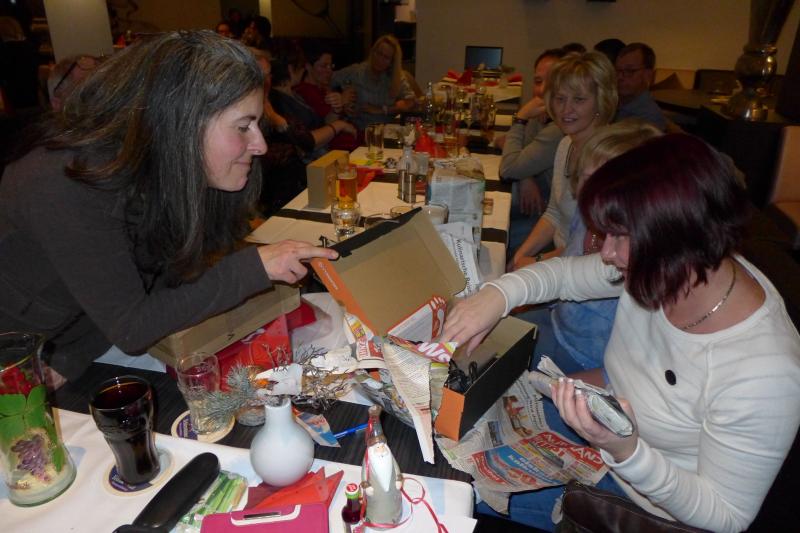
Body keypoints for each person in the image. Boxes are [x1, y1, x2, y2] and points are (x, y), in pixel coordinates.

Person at [441, 134, 800, 532]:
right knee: (448, 420)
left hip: (640, 500)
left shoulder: (765, 373)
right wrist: (495, 297)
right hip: (602, 429)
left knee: (449, 482)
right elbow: (565, 275)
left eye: (621, 236)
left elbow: (726, 516)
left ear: (676, 236)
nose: (606, 253)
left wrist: (625, 451)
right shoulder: (679, 265)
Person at [0, 31, 337, 383]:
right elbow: (132, 325)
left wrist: (71, 357)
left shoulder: (164, 171)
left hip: (75, 346)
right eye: (243, 126)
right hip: (18, 361)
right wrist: (254, 267)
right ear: (182, 122)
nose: (260, 145)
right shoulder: (67, 182)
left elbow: (151, 287)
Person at [529, 119, 662, 374]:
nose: (589, 189)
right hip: (555, 322)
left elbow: (629, 368)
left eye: (604, 179)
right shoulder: (585, 213)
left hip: (587, 361)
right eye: (585, 176)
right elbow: (566, 270)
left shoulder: (642, 252)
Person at [510, 51, 617, 270]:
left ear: (601, 101)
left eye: (579, 99)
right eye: (560, 99)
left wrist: (535, 262)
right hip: (561, 260)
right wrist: (519, 258)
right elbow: (554, 213)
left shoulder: (607, 159)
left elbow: (589, 247)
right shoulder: (566, 144)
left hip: (584, 269)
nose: (566, 110)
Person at [255, 47, 355, 214]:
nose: (267, 80)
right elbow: (307, 141)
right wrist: (339, 125)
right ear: (292, 69)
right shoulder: (277, 99)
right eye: (262, 75)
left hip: (306, 171)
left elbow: (318, 127)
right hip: (290, 182)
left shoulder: (290, 96)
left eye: (268, 74)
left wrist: (337, 110)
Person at [500, 48, 565, 255]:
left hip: (546, 221)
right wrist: (525, 176)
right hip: (541, 210)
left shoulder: (558, 129)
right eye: (538, 81)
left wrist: (520, 118)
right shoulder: (543, 116)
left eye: (552, 82)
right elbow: (510, 146)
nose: (542, 89)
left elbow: (508, 168)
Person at [329, 35, 415, 130]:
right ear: (373, 52)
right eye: (379, 53)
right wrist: (341, 98)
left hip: (386, 130)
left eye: (386, 57)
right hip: (359, 128)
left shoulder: (396, 77)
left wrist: (382, 110)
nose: (380, 59)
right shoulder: (357, 71)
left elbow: (410, 102)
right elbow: (327, 79)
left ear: (392, 62)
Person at [294, 41, 358, 151]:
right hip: (333, 150)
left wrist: (345, 108)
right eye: (324, 66)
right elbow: (325, 126)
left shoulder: (324, 88)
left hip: (349, 142)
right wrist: (341, 103)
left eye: (331, 66)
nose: (329, 71)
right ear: (308, 67)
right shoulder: (304, 91)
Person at [614, 42, 667, 130]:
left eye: (629, 71)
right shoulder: (613, 105)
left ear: (648, 75)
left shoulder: (649, 119)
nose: (620, 77)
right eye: (617, 70)